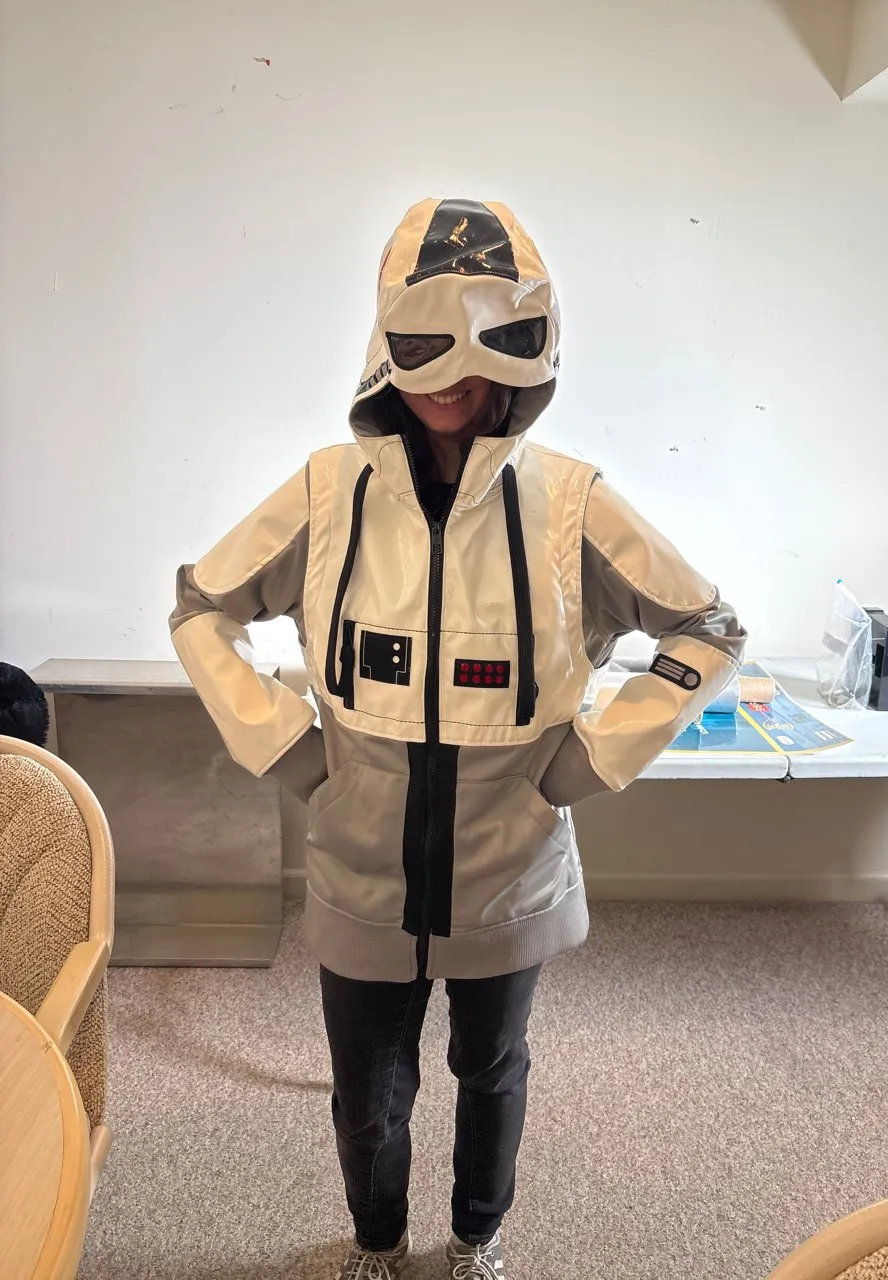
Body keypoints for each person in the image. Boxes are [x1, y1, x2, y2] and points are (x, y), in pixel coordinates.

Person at [170, 198, 746, 1280]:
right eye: (427, 343)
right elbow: (202, 606)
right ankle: (376, 1242)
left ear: (530, 350)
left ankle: (477, 1235)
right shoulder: (327, 492)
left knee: (492, 1068)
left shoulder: (571, 504)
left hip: (506, 866)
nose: (454, 376)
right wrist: (290, 749)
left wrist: (589, 760)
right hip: (360, 863)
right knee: (367, 1088)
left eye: (489, 345)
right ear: (386, 340)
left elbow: (707, 628)